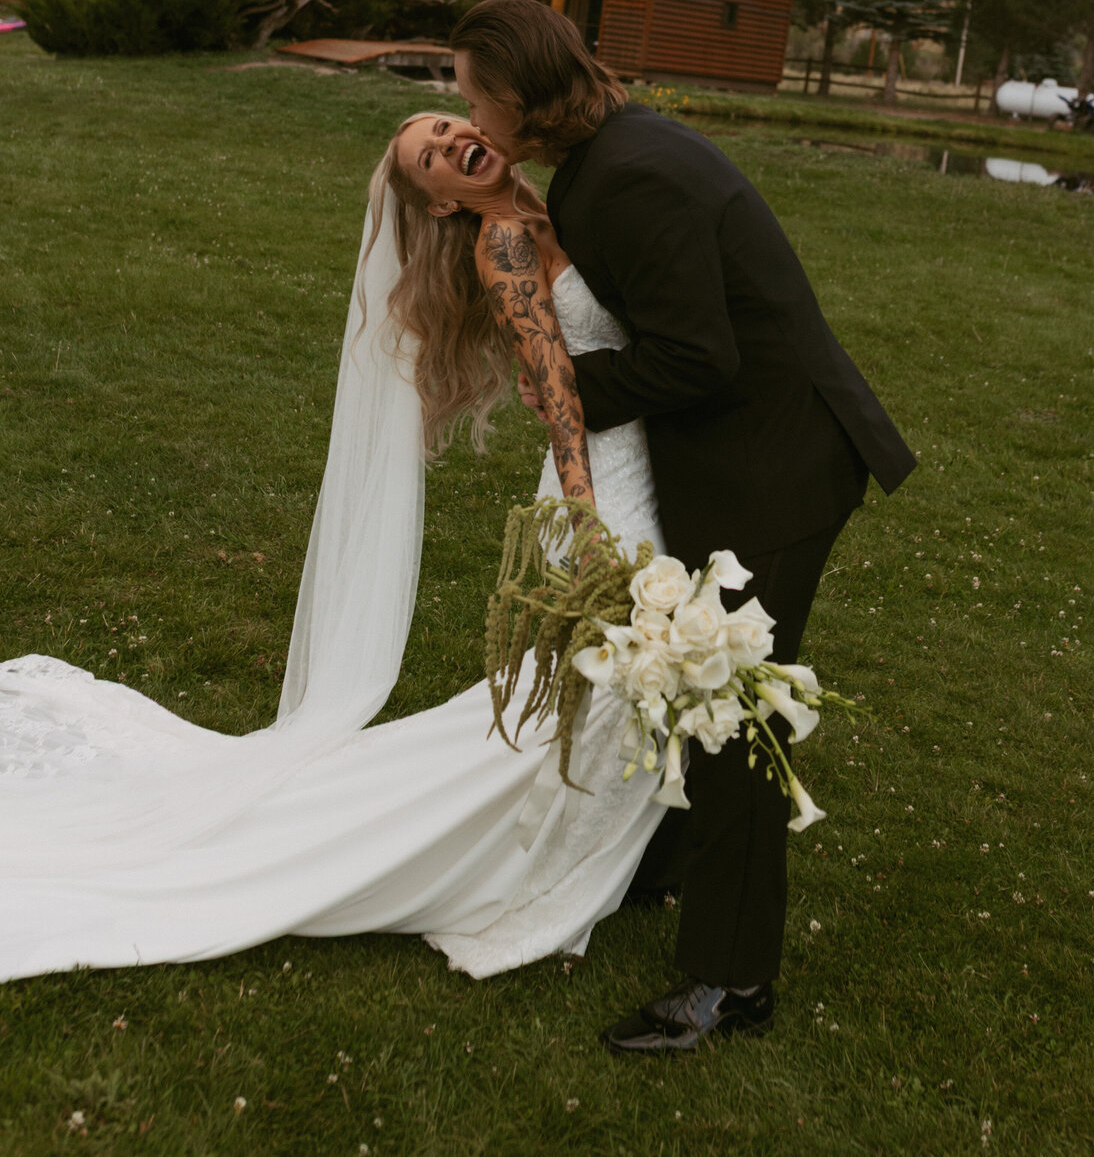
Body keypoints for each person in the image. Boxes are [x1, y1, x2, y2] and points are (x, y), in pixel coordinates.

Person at [0, 114, 668, 985]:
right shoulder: (504, 244)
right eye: (430, 158)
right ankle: (533, 858)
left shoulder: (549, 206)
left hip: (641, 453)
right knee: (609, 676)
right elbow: (561, 395)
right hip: (601, 483)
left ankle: (591, 844)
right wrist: (585, 525)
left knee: (605, 686)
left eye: (445, 126)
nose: (450, 142)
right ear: (436, 205)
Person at [450, 0, 917, 1055]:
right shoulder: (614, 157)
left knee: (734, 710)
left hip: (778, 468)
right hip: (759, 453)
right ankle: (666, 871)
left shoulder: (626, 180)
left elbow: (697, 357)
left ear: (520, 99)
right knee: (697, 690)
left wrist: (564, 385)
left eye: (475, 96)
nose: (468, 114)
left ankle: (730, 981)